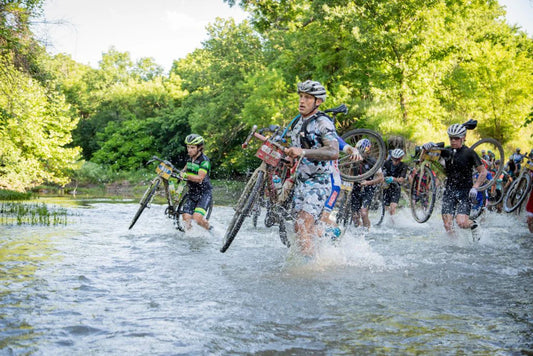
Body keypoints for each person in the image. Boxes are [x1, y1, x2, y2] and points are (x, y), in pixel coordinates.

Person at [284, 80, 340, 256]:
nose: (302, 101)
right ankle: (324, 251)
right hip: (301, 182)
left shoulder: (323, 122)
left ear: (318, 102)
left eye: (307, 97)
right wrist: (289, 158)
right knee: (299, 228)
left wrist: (302, 152)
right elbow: (296, 153)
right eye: (301, 96)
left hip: (319, 182)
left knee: (302, 225)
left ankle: (310, 269)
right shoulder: (297, 123)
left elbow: (333, 151)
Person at [422, 123, 487, 240]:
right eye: (451, 138)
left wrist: (475, 187)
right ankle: (455, 245)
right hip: (450, 190)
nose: (453, 141)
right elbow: (422, 159)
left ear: (463, 138)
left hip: (465, 191)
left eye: (456, 138)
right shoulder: (446, 151)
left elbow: (483, 172)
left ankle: (474, 225)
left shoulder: (469, 153)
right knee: (447, 224)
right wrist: (425, 149)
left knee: (461, 223)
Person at [179, 134, 213, 232]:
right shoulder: (190, 158)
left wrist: (185, 176)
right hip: (192, 192)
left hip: (204, 193)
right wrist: (182, 172)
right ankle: (190, 238)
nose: (189, 150)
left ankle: (210, 230)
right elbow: (186, 168)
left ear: (200, 148)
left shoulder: (204, 161)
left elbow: (199, 178)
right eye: (188, 147)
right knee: (186, 218)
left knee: (197, 218)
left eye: (192, 147)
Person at [349, 138, 384, 230]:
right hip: (356, 188)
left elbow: (381, 178)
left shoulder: (373, 161)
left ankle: (367, 233)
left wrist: (368, 183)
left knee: (363, 213)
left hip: (368, 189)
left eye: (362, 152)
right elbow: (351, 174)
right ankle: (358, 234)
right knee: (355, 217)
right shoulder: (354, 159)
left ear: (368, 151)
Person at [382, 148, 408, 222]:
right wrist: (383, 179)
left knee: (393, 207)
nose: (395, 161)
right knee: (386, 208)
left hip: (396, 188)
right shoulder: (386, 163)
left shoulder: (404, 166)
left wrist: (393, 179)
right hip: (386, 187)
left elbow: (402, 179)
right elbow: (380, 175)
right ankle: (386, 222)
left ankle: (393, 224)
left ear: (401, 159)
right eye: (394, 159)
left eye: (397, 160)